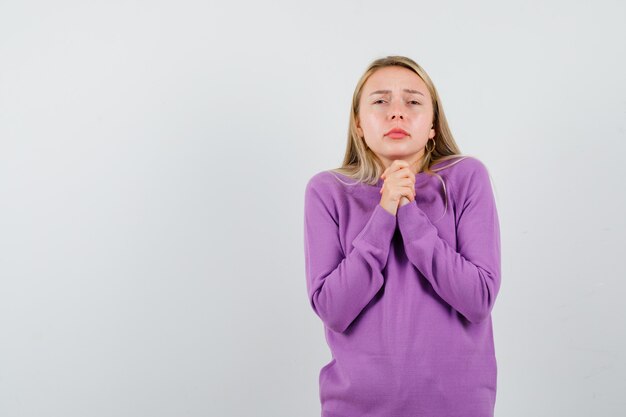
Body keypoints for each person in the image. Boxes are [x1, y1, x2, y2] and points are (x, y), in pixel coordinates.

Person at [303, 55, 502, 417]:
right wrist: (384, 212)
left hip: (457, 407)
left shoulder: (466, 177)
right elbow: (333, 309)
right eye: (380, 101)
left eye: (412, 101)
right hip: (356, 408)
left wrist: (408, 211)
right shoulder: (327, 191)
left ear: (432, 126)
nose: (397, 113)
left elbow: (478, 298)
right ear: (359, 124)